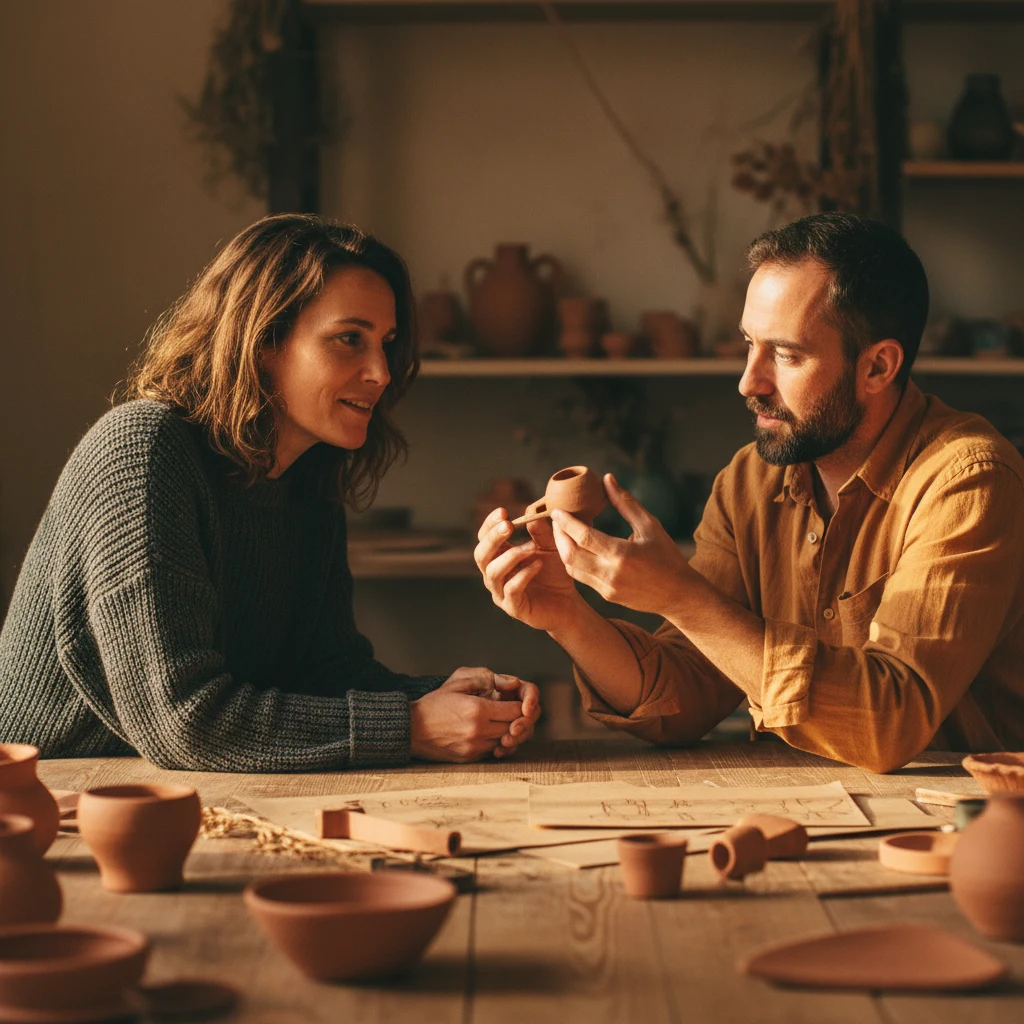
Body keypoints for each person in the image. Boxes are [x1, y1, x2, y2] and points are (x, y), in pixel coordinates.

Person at [475, 212, 1024, 774]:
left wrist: (680, 595)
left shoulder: (969, 480)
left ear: (878, 366)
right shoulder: (751, 481)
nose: (748, 382)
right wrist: (568, 616)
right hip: (804, 815)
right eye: (748, 345)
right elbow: (686, 696)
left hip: (961, 824)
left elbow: (890, 723)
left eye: (785, 355)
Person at [0, 214, 540, 771]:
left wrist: (445, 700)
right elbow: (185, 720)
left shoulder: (308, 483)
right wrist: (413, 726)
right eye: (349, 339)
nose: (380, 371)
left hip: (196, 794)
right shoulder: (142, 450)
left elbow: (324, 673)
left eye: (387, 342)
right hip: (47, 800)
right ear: (262, 342)